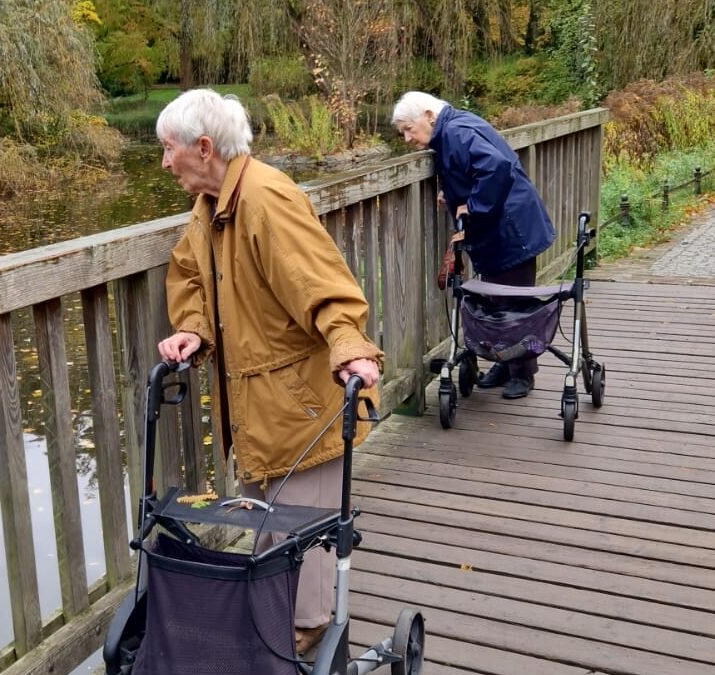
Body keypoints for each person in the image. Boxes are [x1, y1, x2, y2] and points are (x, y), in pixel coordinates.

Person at [155, 89, 383, 656]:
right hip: (259, 408)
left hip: (299, 410)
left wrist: (350, 343)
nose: (164, 162)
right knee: (270, 544)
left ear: (203, 147)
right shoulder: (211, 206)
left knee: (302, 572)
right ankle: (279, 646)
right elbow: (188, 270)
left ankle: (299, 649)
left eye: (168, 149)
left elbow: (323, 284)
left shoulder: (264, 198)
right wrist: (194, 328)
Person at [392, 91, 556, 399]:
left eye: (408, 129)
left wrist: (474, 206)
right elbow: (467, 169)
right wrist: (452, 195)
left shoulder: (456, 131)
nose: (406, 137)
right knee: (496, 300)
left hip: (512, 230)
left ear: (429, 116)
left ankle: (524, 373)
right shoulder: (449, 132)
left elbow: (498, 167)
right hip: (501, 229)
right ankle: (505, 365)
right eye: (403, 132)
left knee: (514, 304)